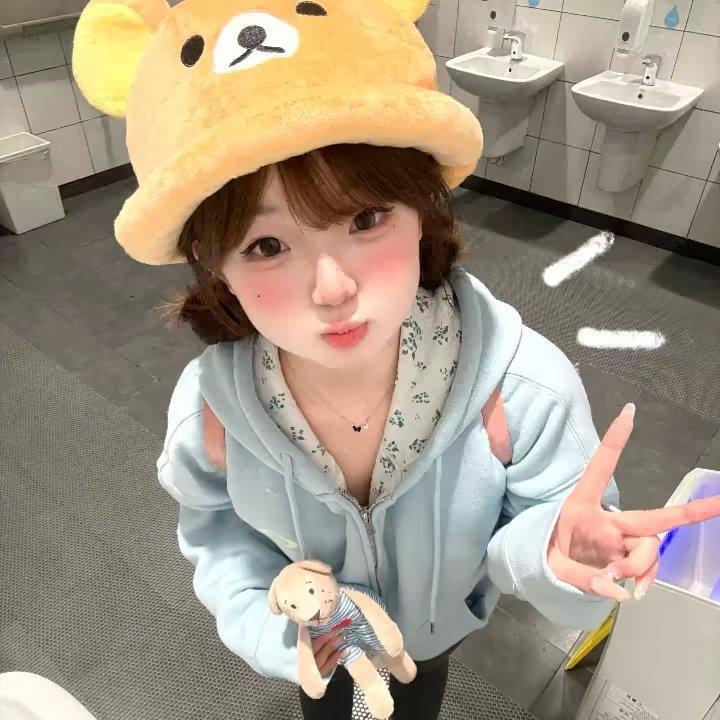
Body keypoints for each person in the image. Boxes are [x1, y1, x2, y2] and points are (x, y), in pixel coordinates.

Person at [72, 0, 720, 718]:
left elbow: (554, 526)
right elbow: (217, 535)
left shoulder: (523, 390)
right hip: (318, 639)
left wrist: (557, 554)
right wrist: (276, 630)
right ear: (211, 261)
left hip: (433, 635)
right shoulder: (211, 414)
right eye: (267, 245)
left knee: (416, 693)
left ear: (422, 208)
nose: (332, 289)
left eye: (365, 218)